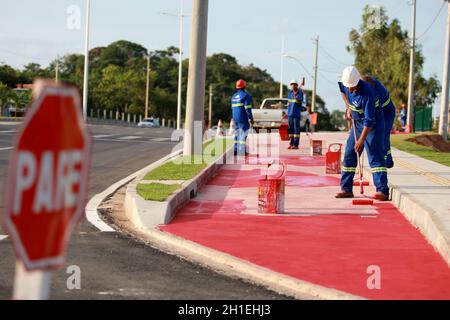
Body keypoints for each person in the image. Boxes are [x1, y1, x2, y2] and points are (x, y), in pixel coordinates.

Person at [336, 66, 389, 201]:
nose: (350, 89)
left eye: (352, 87)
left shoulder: (368, 93)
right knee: (349, 153)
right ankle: (346, 188)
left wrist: (361, 140)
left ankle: (382, 190)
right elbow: (343, 91)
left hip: (373, 125)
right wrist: (348, 107)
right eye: (348, 86)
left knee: (374, 154)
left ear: (357, 82)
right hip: (357, 123)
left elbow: (369, 120)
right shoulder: (346, 84)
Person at [362, 76, 396, 168]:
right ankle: (385, 159)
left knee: (383, 135)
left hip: (387, 113)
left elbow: (374, 112)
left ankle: (386, 161)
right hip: (379, 111)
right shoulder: (365, 83)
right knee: (379, 137)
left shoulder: (379, 91)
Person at [231, 79, 254, 156]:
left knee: (237, 134)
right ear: (244, 86)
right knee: (243, 134)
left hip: (235, 118)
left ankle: (235, 150)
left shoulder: (234, 96)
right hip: (243, 118)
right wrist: (251, 118)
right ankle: (241, 151)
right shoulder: (245, 95)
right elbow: (248, 108)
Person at [287, 80, 304, 150]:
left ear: (297, 85)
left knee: (296, 130)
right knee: (291, 130)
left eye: (294, 84)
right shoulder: (290, 93)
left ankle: (296, 145)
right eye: (292, 84)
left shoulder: (300, 93)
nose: (293, 86)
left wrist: (297, 99)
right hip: (290, 114)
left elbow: (300, 101)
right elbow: (289, 102)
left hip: (296, 114)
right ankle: (291, 143)